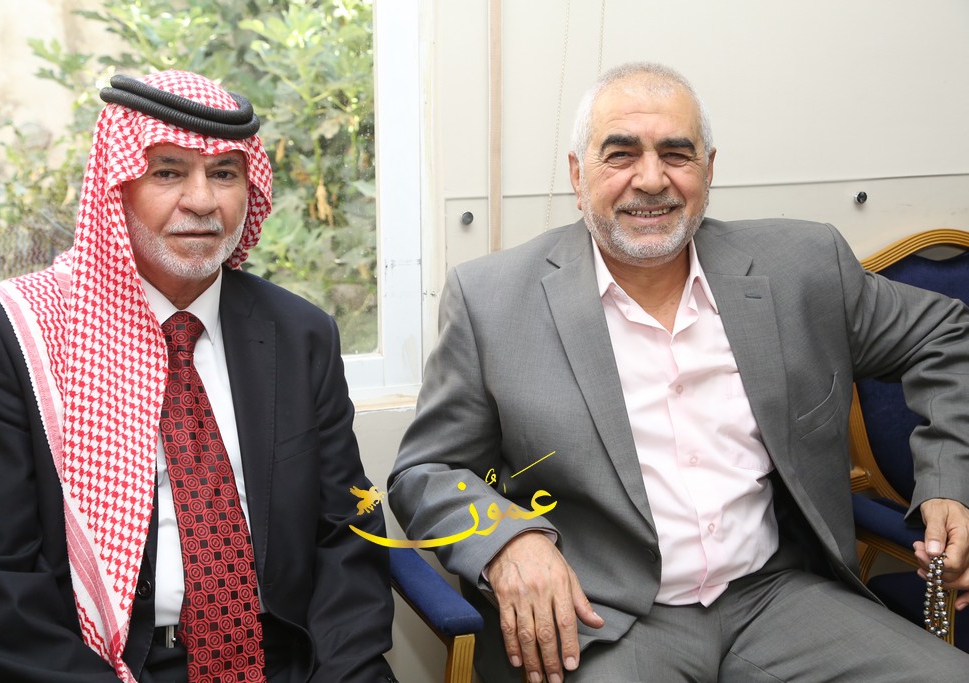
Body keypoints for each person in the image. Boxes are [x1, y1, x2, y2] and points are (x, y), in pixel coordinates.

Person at [388, 61, 969, 682]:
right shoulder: (492, 301)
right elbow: (427, 472)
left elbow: (944, 334)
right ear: (578, 174)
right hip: (604, 621)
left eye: (676, 154)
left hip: (777, 595)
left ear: (708, 170)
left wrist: (946, 481)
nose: (651, 179)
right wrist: (505, 539)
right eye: (620, 154)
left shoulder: (802, 265)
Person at [0, 70, 397, 683]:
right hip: (86, 668)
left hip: (280, 663)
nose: (202, 201)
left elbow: (347, 534)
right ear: (118, 185)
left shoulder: (300, 334)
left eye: (224, 173)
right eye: (167, 172)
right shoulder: (15, 332)